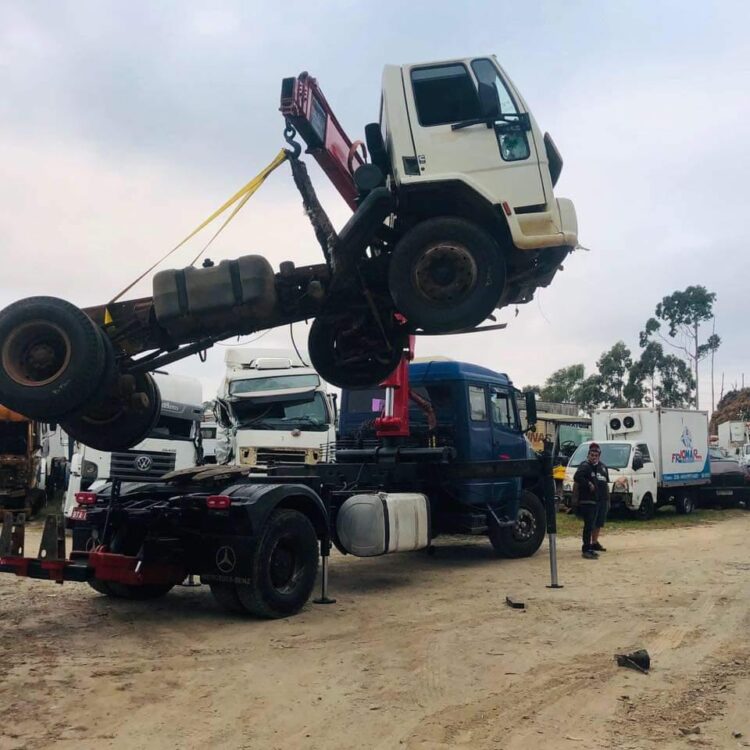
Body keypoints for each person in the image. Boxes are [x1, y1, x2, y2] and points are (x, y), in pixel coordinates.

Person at [573, 443, 610, 559]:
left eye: (596, 455)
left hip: (600, 499)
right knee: (589, 525)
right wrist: (588, 484)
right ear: (588, 455)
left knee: (598, 522)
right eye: (592, 454)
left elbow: (605, 483)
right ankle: (586, 549)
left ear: (599, 456)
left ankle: (593, 544)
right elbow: (577, 477)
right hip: (588, 500)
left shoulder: (602, 467)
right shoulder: (585, 466)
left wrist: (607, 498)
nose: (594, 457)